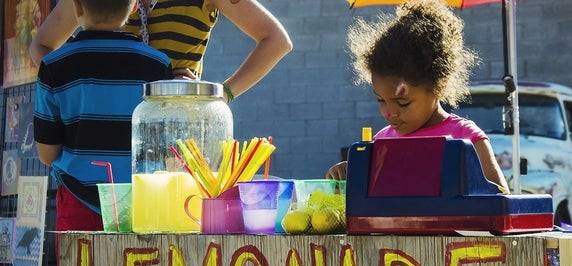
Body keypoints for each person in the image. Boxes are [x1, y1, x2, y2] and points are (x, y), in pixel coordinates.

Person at [325, 0, 509, 192]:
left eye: (402, 102)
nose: (389, 113)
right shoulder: (380, 144)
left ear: (438, 87)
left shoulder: (466, 137)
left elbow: (500, 198)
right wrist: (347, 178)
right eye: (381, 100)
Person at [33, 0, 173, 235]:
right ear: (133, 7)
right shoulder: (158, 65)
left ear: (77, 7)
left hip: (78, 201)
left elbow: (47, 154)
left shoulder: (53, 66)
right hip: (144, 202)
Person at [30, 0, 292, 101]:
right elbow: (41, 46)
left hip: (178, 133)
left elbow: (276, 40)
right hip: (104, 132)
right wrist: (72, 88)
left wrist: (221, 94)